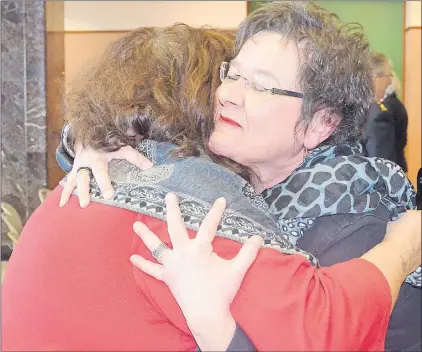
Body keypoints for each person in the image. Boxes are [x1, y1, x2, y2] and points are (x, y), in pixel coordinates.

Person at [2, 3, 420, 351]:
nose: (227, 94)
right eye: (231, 75)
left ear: (320, 124)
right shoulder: (196, 191)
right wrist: (88, 137)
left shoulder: (351, 222)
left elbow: (327, 327)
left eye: (262, 86)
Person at [364, 52, 409, 171]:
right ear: (375, 77)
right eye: (387, 75)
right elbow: (382, 167)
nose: (389, 82)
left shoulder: (354, 106)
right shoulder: (377, 114)